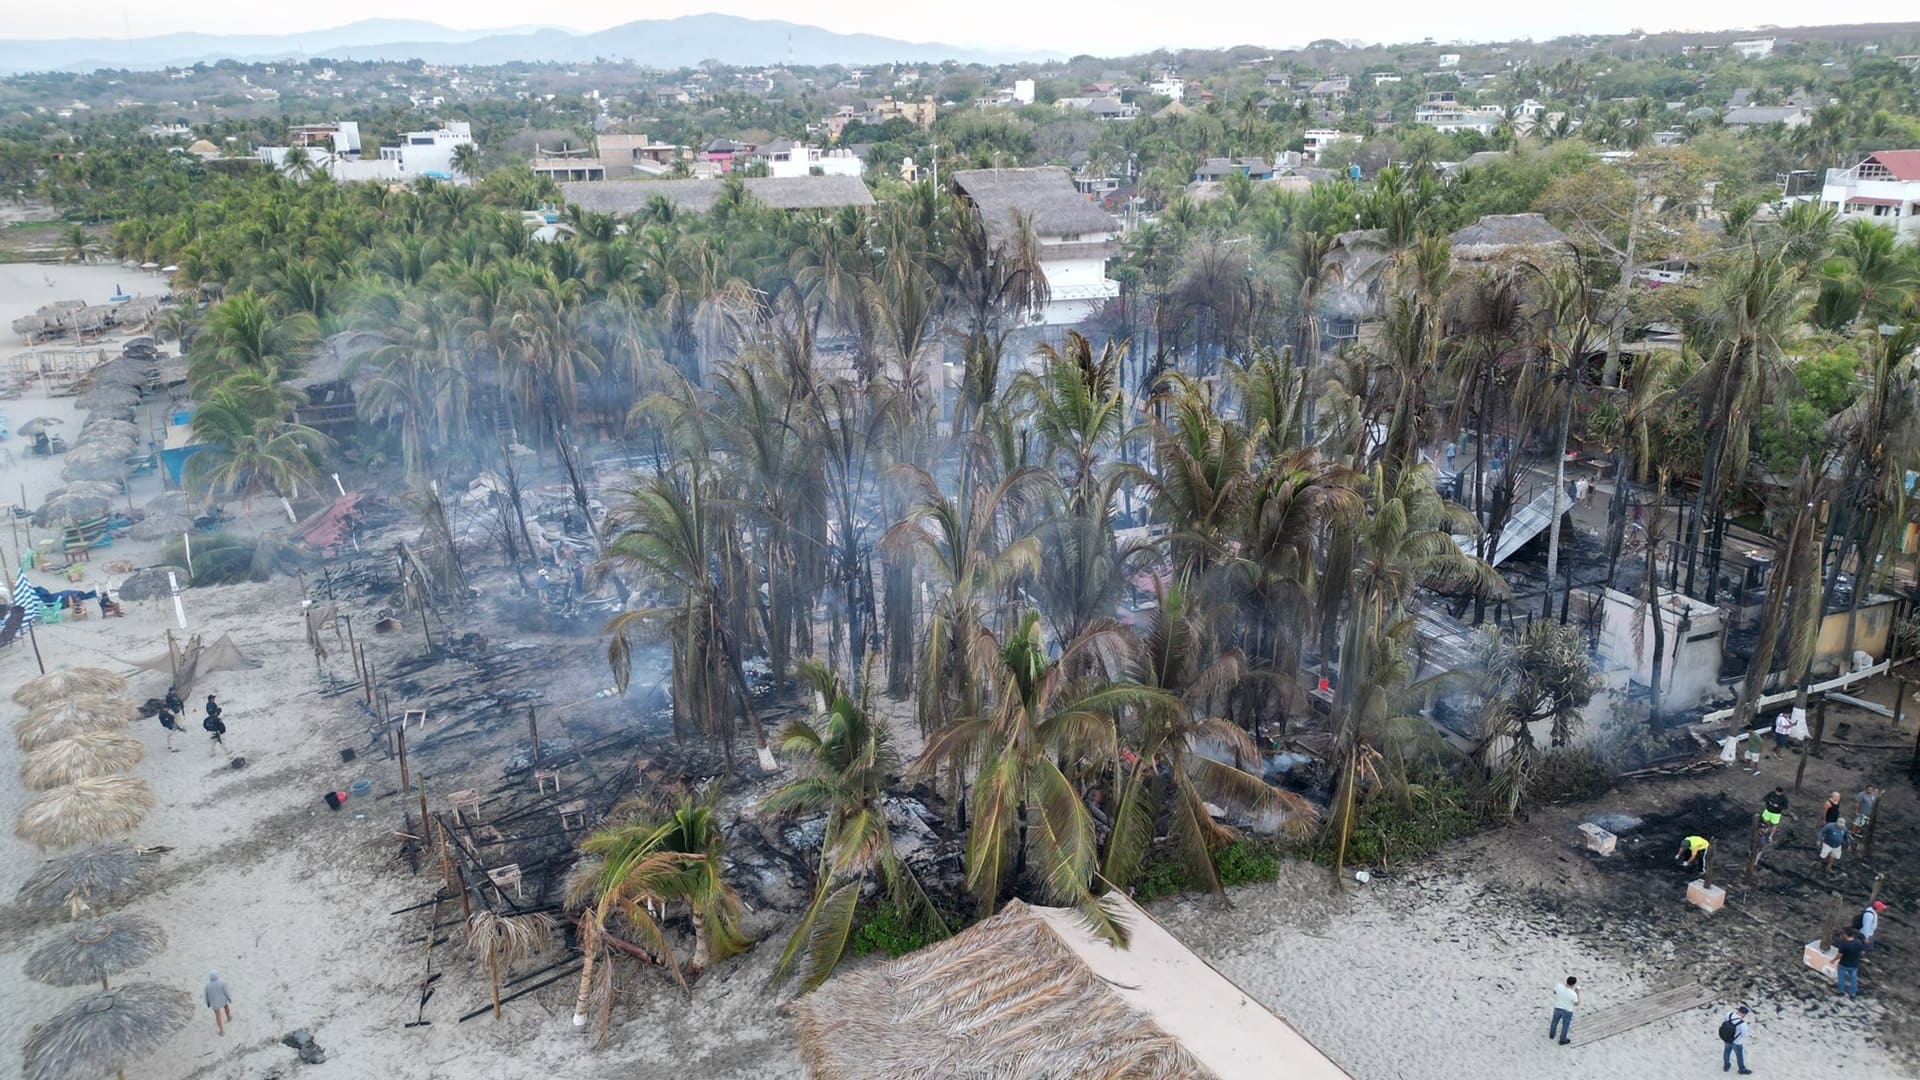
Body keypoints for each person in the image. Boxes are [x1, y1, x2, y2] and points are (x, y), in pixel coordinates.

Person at [1719, 1005, 1752, 1074]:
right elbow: (1744, 1035)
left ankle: (1726, 1066)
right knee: (1739, 1056)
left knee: (1726, 1052)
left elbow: (1725, 1022)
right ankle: (1742, 1069)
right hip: (1737, 1042)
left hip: (1726, 1038)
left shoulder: (1729, 1014)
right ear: (1743, 1014)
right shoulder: (1743, 1024)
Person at [1835, 928, 1866, 998]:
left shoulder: (1844, 944)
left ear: (1845, 935)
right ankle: (1853, 993)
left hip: (1843, 964)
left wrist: (1833, 960)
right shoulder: (1858, 943)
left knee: (1841, 978)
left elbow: (1839, 955)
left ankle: (1841, 991)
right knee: (1853, 979)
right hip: (1854, 965)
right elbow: (1862, 953)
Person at [1549, 976, 1579, 1044]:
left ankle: (1552, 1034)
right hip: (1567, 1011)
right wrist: (1577, 993)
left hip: (1557, 1008)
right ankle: (1562, 1039)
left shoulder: (1559, 986)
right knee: (1565, 1025)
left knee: (1554, 1021)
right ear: (1573, 984)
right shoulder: (1573, 994)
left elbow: (1554, 992)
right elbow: (1576, 1003)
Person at [205, 970, 234, 1036]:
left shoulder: (207, 986)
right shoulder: (222, 983)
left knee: (218, 1016)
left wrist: (208, 1003)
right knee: (226, 1006)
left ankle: (221, 1031)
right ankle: (229, 1017)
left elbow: (206, 996)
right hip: (223, 1000)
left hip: (214, 1003)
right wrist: (229, 998)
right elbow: (226, 992)